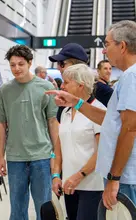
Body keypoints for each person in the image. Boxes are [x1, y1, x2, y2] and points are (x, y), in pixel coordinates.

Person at [46, 20, 136, 209]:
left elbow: (129, 129)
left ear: (122, 46)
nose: (103, 51)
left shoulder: (130, 77)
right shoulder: (125, 79)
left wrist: (114, 176)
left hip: (126, 176)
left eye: (108, 44)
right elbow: (112, 121)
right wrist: (76, 102)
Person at [0, 45, 59, 220]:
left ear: (30, 63)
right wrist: (1, 156)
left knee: (44, 208)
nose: (16, 68)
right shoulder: (5, 90)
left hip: (42, 156)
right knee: (17, 209)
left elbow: (52, 121)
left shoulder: (45, 87)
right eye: (13, 65)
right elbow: (1, 124)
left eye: (20, 64)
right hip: (15, 158)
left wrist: (56, 155)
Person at [52, 64, 105, 220]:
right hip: (69, 185)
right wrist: (56, 174)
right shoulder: (66, 111)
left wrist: (79, 175)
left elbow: (102, 151)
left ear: (80, 85)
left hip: (92, 185)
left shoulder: (97, 111)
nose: (62, 86)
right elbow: (59, 146)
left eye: (66, 82)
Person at [48, 43, 89, 123]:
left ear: (77, 65)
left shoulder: (98, 91)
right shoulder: (65, 94)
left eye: (62, 63)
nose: (58, 67)